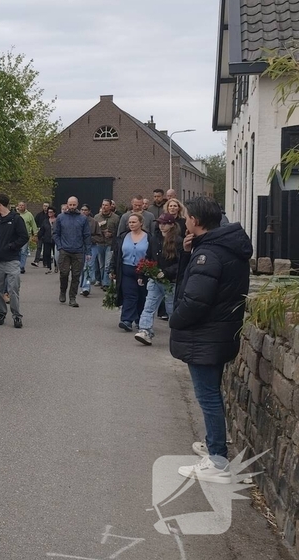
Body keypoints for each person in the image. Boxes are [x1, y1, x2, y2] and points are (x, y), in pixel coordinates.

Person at [171, 197, 252, 483]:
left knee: (208, 397)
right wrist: (187, 253)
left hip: (206, 336)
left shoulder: (210, 255)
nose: (184, 220)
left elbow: (195, 300)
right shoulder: (221, 246)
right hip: (219, 333)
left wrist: (175, 319)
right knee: (212, 395)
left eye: (187, 216)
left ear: (196, 221)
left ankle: (217, 462)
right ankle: (214, 445)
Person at [135, 213, 183, 345]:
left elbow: (180, 264)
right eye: (160, 223)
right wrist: (142, 274)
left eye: (165, 223)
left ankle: (177, 336)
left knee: (171, 309)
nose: (162, 226)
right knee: (149, 306)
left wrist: (166, 272)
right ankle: (145, 330)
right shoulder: (154, 239)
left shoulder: (178, 241)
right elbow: (148, 257)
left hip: (171, 282)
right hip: (154, 279)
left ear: (172, 225)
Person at [0, 193, 28, 328]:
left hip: (11, 260)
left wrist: (11, 246)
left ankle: (16, 316)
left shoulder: (16, 219)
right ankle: (1, 313)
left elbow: (24, 237)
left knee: (13, 289)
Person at [110, 213, 150, 332]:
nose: (131, 224)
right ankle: (126, 320)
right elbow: (117, 254)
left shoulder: (149, 237)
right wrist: (112, 269)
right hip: (126, 269)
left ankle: (139, 320)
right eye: (130, 222)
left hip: (143, 270)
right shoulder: (123, 237)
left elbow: (152, 255)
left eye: (134, 222)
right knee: (129, 295)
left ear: (141, 223)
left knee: (142, 295)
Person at [53, 196, 91, 308]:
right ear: (67, 205)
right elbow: (55, 233)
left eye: (74, 205)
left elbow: (87, 235)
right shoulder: (60, 217)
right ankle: (62, 291)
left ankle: (72, 298)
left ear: (77, 204)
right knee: (64, 273)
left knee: (76, 275)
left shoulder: (83, 218)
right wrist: (60, 246)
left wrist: (88, 251)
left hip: (79, 251)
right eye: (70, 205)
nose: (72, 207)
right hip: (64, 250)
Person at [91, 199, 120, 289]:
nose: (104, 207)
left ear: (111, 206)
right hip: (99, 243)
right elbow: (93, 230)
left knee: (108, 264)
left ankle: (106, 283)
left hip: (110, 244)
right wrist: (102, 231)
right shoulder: (96, 217)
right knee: (101, 264)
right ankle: (101, 280)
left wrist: (112, 234)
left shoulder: (116, 218)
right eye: (103, 205)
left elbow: (118, 231)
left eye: (106, 205)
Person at [77, 204, 97, 297]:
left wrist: (89, 238)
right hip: (80, 248)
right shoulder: (77, 220)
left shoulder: (94, 222)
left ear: (89, 211)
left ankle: (86, 287)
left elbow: (99, 236)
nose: (84, 211)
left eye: (86, 210)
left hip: (92, 247)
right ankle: (82, 285)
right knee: (81, 268)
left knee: (88, 267)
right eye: (82, 210)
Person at [15, 201, 37, 274]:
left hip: (25, 236)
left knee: (23, 252)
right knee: (17, 251)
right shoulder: (15, 214)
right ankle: (17, 265)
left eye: (22, 205)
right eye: (20, 205)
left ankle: (21, 267)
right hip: (16, 236)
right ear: (18, 206)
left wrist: (35, 233)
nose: (21, 206)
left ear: (25, 206)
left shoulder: (29, 215)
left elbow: (33, 224)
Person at [38, 207, 57, 273]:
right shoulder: (45, 221)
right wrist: (39, 236)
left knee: (56, 254)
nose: (50, 213)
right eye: (49, 212)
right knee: (47, 253)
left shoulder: (57, 220)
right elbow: (42, 230)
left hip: (55, 240)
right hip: (47, 239)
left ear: (54, 213)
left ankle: (56, 266)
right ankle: (49, 267)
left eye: (51, 212)